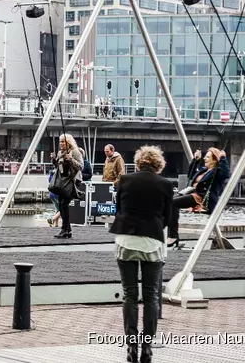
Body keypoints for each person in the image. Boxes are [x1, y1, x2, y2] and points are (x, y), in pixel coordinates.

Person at [109, 146, 173, 363]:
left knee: (129, 294)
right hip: (152, 241)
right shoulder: (165, 184)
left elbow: (119, 210)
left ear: (138, 162)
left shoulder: (125, 180)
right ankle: (147, 347)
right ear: (158, 164)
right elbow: (167, 217)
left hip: (127, 239)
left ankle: (131, 346)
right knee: (151, 296)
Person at [167, 148, 230, 247]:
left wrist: (223, 158)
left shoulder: (217, 172)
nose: (205, 159)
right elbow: (191, 175)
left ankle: (173, 236)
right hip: (192, 194)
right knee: (168, 201)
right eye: (205, 156)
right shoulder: (204, 170)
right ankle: (167, 231)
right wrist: (196, 160)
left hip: (202, 198)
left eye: (208, 157)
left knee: (172, 203)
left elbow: (226, 174)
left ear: (214, 160)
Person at [50, 133, 83, 238]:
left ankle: (64, 229)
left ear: (68, 142)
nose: (61, 144)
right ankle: (67, 229)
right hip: (62, 181)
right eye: (60, 142)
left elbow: (81, 167)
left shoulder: (76, 152)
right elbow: (60, 167)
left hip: (72, 181)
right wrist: (54, 160)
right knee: (61, 205)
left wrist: (71, 160)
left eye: (63, 141)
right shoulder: (60, 152)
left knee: (64, 204)